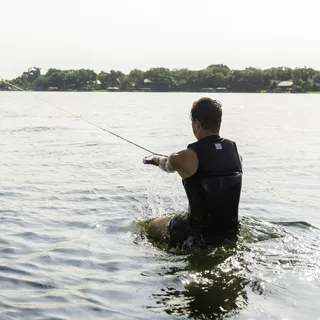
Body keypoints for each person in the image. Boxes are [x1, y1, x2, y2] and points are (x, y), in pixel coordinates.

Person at [146, 97, 243, 250]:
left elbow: (167, 165)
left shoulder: (184, 157)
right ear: (218, 122)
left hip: (195, 236)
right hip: (229, 234)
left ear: (196, 124)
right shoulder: (236, 155)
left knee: (151, 226)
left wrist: (155, 159)